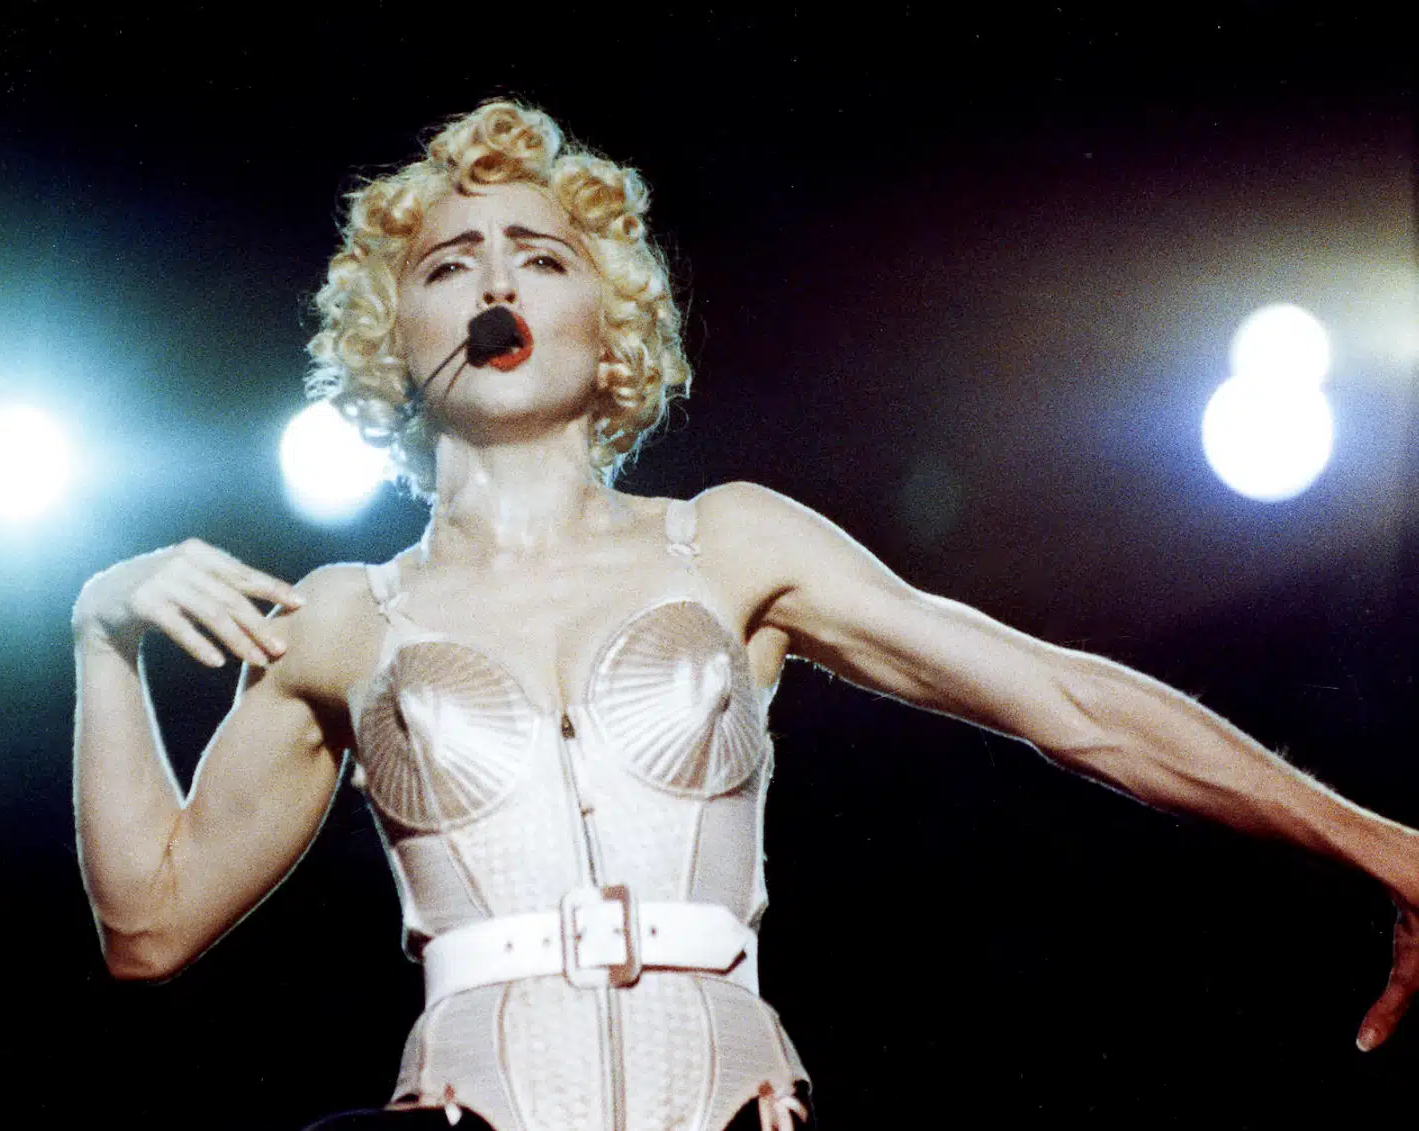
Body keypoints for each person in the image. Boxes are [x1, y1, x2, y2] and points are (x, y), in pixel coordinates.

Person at [71, 100, 1419, 1131]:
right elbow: (150, 928)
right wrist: (103, 633)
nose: (495, 286)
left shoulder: (729, 542)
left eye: (540, 256)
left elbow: (1069, 703)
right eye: (449, 266)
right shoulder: (342, 618)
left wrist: (1388, 848)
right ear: (394, 338)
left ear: (610, 325)